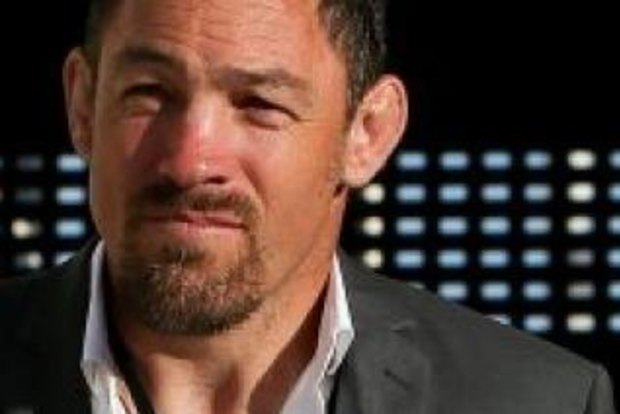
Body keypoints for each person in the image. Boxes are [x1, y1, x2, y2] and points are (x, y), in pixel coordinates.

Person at [0, 0, 616, 412]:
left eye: (259, 105)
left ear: (368, 133)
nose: (191, 160)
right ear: (82, 105)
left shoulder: (536, 403)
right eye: (149, 92)